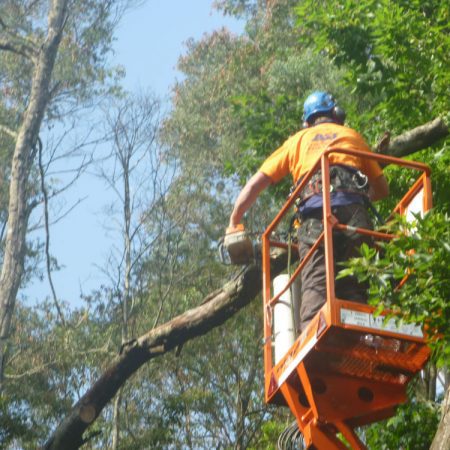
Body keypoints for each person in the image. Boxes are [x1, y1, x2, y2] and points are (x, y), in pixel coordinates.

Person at [227, 91, 389, 332]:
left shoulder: (297, 141)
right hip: (356, 215)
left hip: (315, 218)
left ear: (307, 121)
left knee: (315, 285)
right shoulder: (352, 135)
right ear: (336, 114)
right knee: (356, 283)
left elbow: (254, 185)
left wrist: (234, 221)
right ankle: (361, 336)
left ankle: (315, 339)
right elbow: (382, 189)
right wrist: (353, 199)